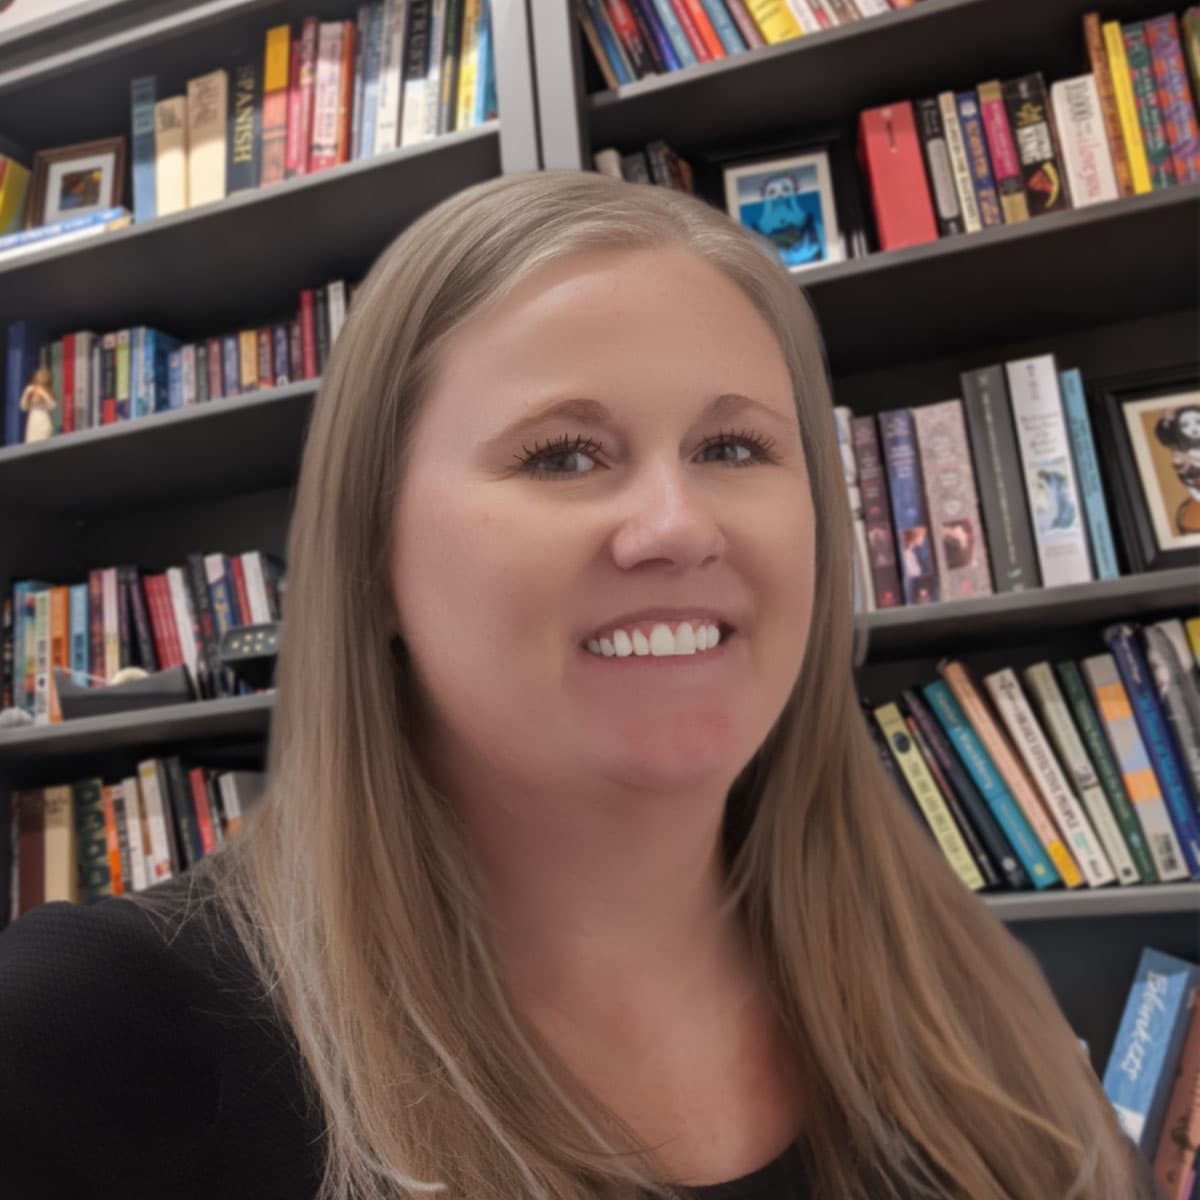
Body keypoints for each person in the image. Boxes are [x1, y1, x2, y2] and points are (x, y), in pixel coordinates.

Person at [0, 172, 1159, 1200]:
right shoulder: (91, 1038)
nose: (677, 526)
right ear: (374, 566)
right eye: (564, 455)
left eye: (735, 448)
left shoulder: (968, 1014)